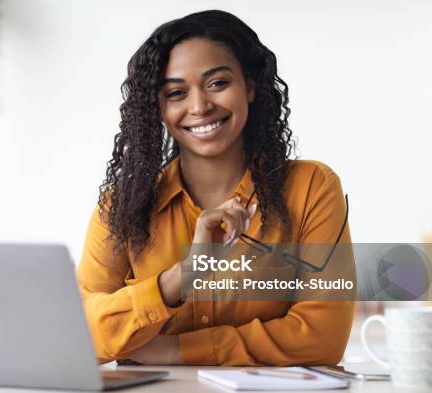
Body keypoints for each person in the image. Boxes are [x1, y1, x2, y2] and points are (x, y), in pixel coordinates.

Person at [77, 9, 354, 366]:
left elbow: (322, 338)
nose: (200, 107)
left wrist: (175, 350)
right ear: (158, 108)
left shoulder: (312, 188)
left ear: (250, 86)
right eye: (176, 93)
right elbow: (82, 333)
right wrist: (183, 276)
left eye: (217, 84)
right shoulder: (121, 206)